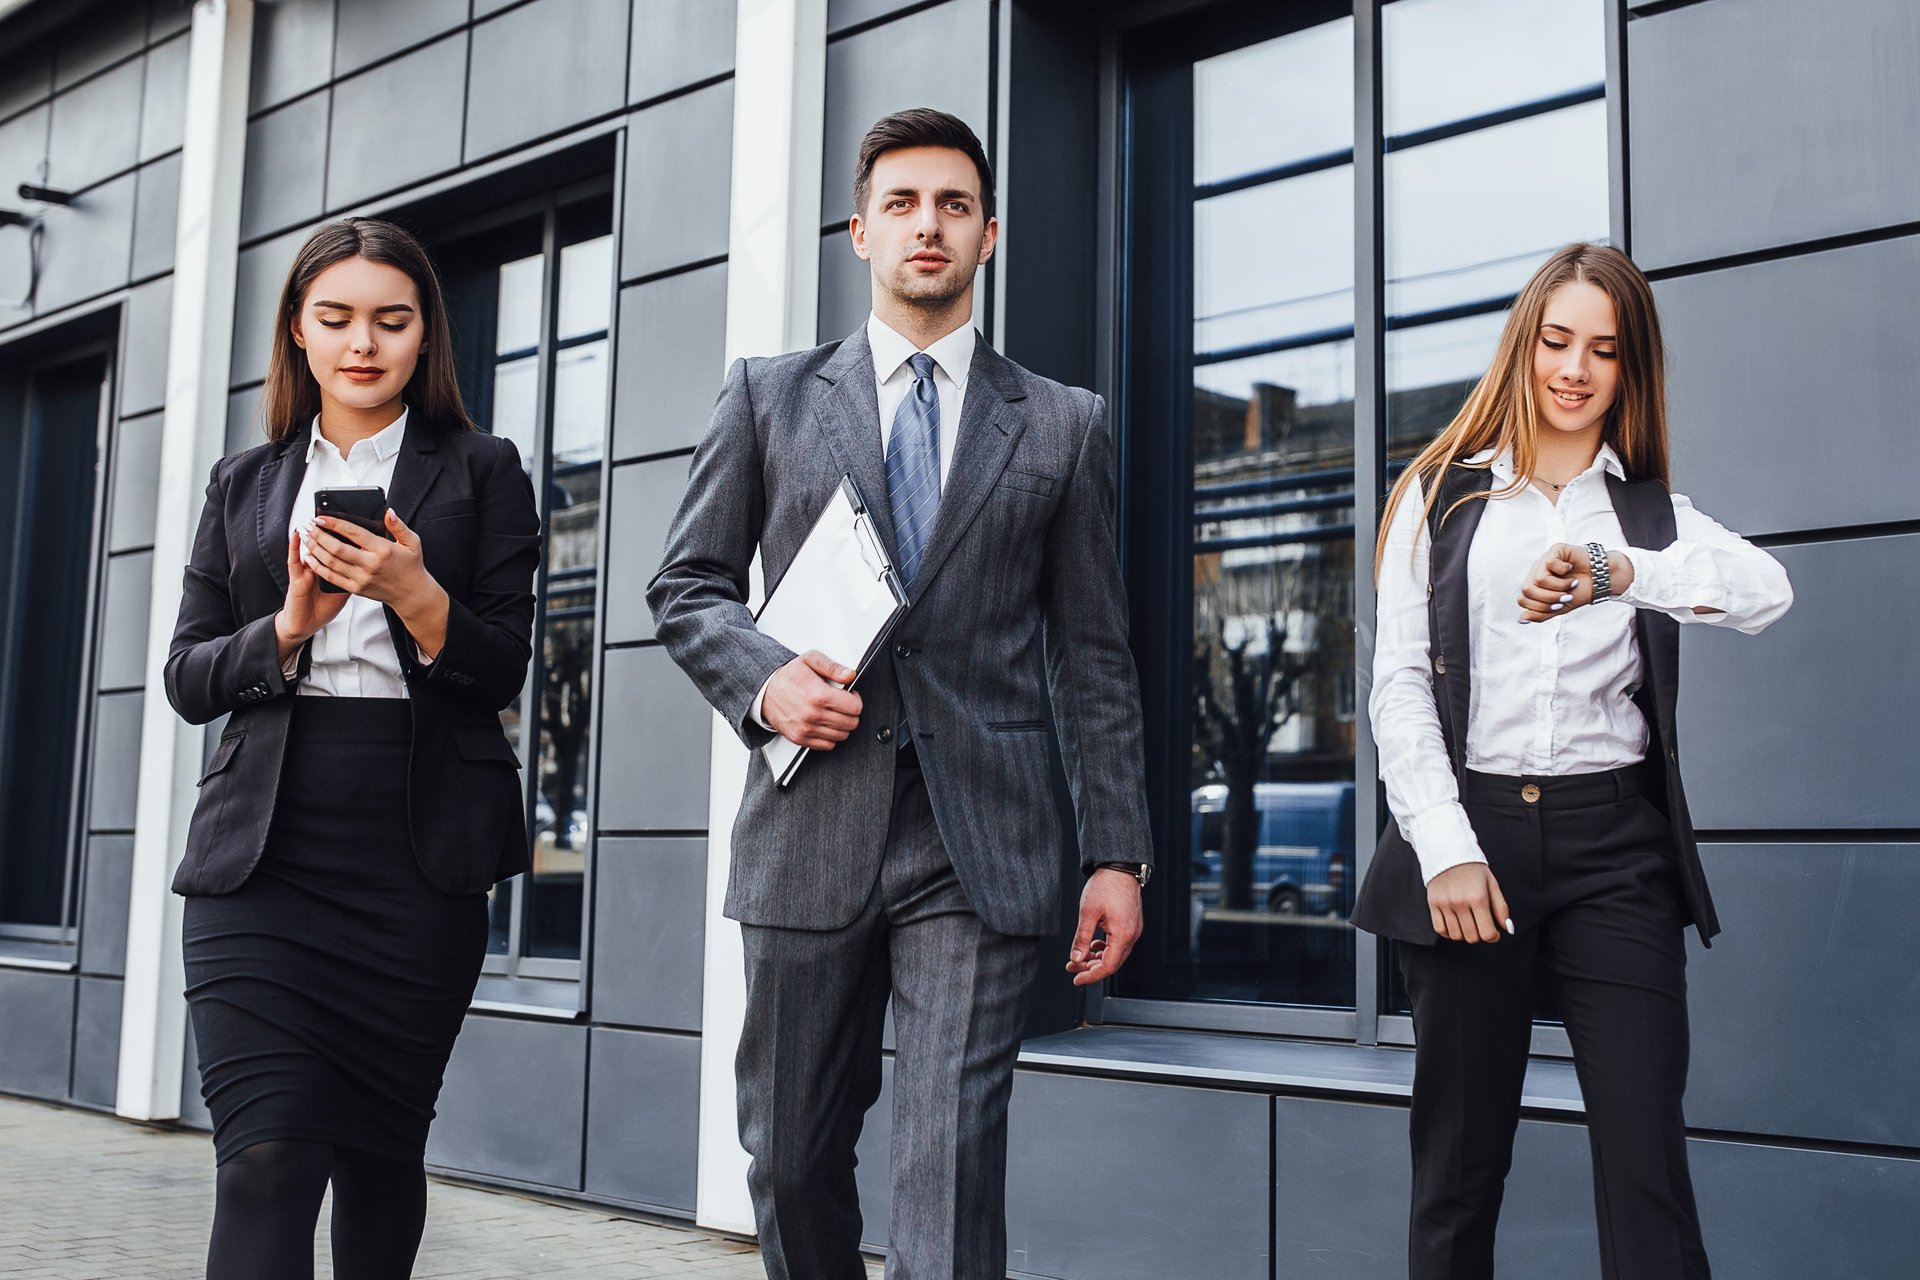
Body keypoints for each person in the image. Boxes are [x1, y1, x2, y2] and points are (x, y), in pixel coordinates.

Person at [648, 108, 1153, 1279]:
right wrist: (766, 681)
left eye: (954, 206)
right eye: (905, 204)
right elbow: (685, 584)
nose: (930, 224)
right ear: (862, 231)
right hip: (810, 822)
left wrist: (1118, 852)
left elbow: (1095, 652)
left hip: (979, 840)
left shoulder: (1064, 425)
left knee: (951, 1162)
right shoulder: (769, 397)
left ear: (989, 236)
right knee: (787, 1155)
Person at [1351, 242, 1793, 1279]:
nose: (1575, 368)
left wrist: (1621, 570)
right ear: (1525, 345)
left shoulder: (1648, 513)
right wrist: (1447, 849)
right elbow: (1399, 687)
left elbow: (1767, 590)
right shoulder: (1440, 496)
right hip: (1475, 841)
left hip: (1616, 850)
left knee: (1647, 1163)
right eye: (1557, 340)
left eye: (1604, 349)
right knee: (1458, 1171)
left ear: (1629, 369)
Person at [165, 217, 541, 1280]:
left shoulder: (483, 470)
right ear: (297, 329)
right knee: (266, 1158)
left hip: (415, 857)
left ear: (427, 336)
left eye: (391, 320)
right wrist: (286, 625)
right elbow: (188, 675)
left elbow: (504, 666)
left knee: (379, 1161)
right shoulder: (244, 481)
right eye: (334, 318)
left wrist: (415, 594)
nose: (362, 343)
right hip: (261, 857)